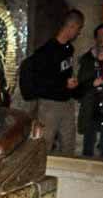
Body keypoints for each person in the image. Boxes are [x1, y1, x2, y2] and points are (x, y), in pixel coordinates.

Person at [32, 9, 84, 155]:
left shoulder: (69, 49)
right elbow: (40, 81)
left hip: (66, 102)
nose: (78, 33)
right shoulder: (47, 51)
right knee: (44, 146)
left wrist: (72, 85)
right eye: (78, 28)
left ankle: (67, 170)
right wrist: (63, 84)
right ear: (72, 26)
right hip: (49, 105)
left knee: (68, 145)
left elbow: (64, 72)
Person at [77, 23, 103, 156]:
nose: (101, 38)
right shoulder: (88, 59)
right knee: (88, 144)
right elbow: (80, 83)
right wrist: (92, 82)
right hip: (91, 105)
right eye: (98, 35)